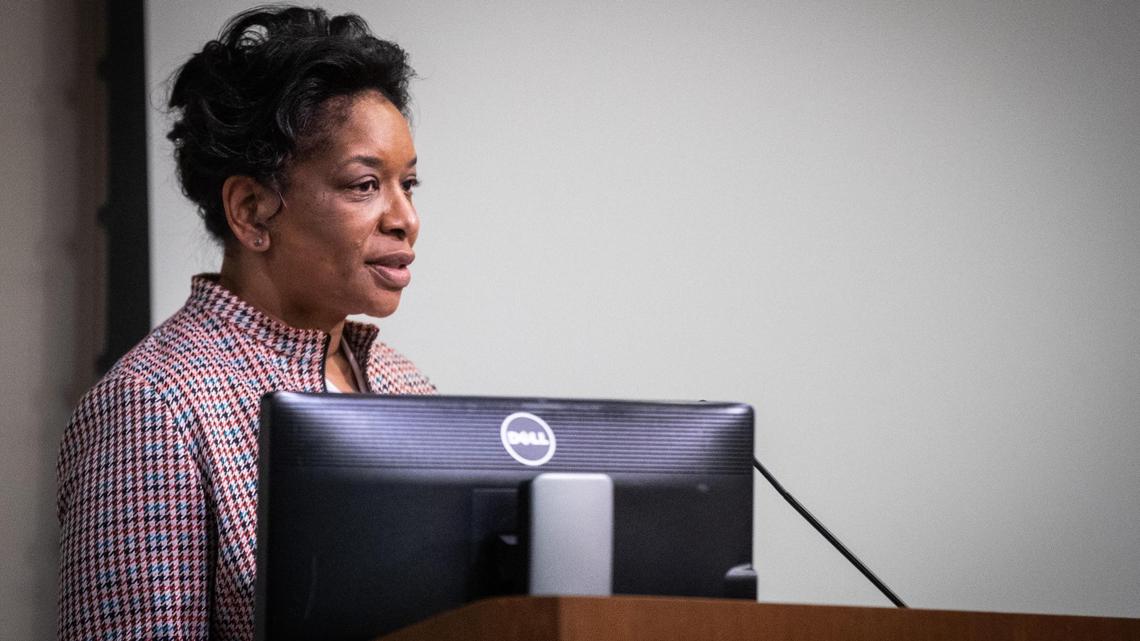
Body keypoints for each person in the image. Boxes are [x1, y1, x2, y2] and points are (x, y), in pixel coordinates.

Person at [56, 6, 434, 639]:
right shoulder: (153, 404)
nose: (406, 219)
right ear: (252, 210)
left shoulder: (407, 386)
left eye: (409, 184)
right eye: (366, 184)